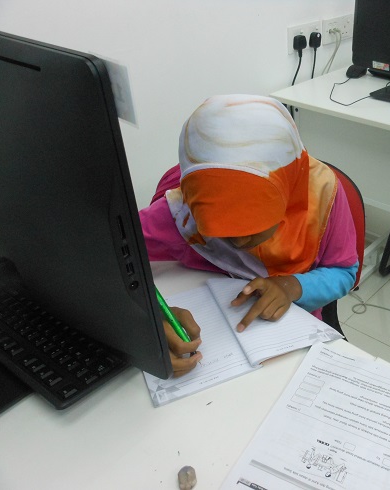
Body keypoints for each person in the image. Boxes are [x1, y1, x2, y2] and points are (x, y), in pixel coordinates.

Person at [139, 94, 359, 376]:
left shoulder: (322, 198)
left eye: (253, 228)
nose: (240, 242)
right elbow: (106, 253)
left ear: (287, 192)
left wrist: (291, 286)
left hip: (294, 338)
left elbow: (344, 271)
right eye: (219, 230)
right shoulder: (182, 213)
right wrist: (148, 315)